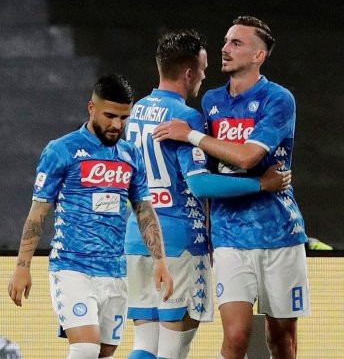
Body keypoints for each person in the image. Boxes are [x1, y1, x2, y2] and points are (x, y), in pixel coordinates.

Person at [124, 29, 292, 359]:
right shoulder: (186, 117)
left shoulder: (136, 112)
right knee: (172, 350)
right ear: (189, 72)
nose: (204, 75)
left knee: (145, 345)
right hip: (178, 241)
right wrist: (260, 184)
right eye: (201, 68)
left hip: (136, 237)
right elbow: (201, 185)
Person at [7, 74, 174, 359]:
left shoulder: (130, 155)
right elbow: (39, 211)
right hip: (72, 266)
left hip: (115, 270)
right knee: (85, 347)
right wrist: (23, 266)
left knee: (105, 351)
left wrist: (160, 260)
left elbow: (144, 210)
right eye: (110, 116)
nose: (116, 125)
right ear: (91, 108)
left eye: (124, 117)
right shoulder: (62, 150)